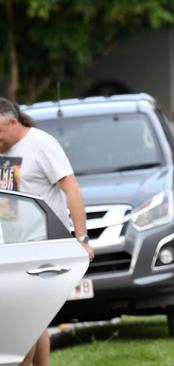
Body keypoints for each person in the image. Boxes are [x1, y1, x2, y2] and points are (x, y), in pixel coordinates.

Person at [0, 97, 94, 366]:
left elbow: (72, 189)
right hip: (12, 247)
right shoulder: (3, 149)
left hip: (42, 247)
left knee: (20, 327)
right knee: (35, 320)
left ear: (14, 122)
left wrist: (82, 239)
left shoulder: (40, 144)